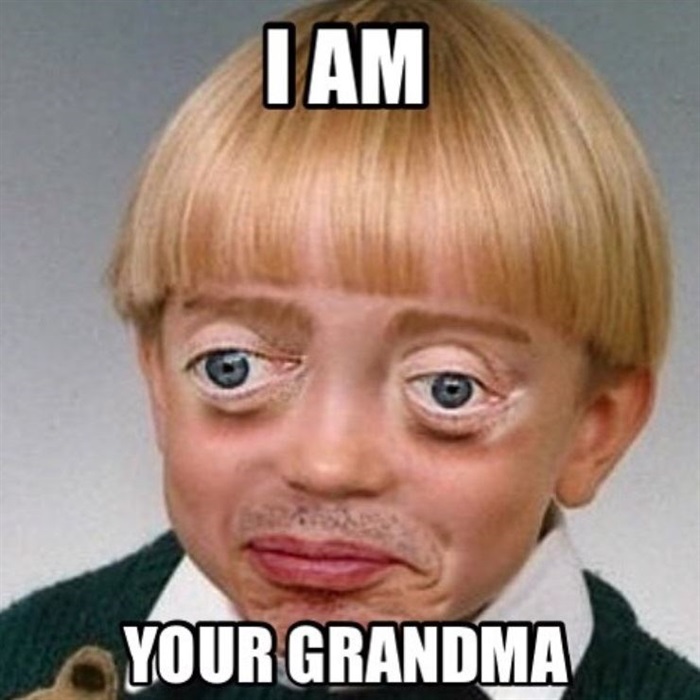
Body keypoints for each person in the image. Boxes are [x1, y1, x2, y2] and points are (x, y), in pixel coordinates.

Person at [1, 0, 698, 698]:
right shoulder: (21, 658)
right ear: (160, 387)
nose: (325, 465)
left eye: (449, 388)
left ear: (593, 430)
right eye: (231, 368)